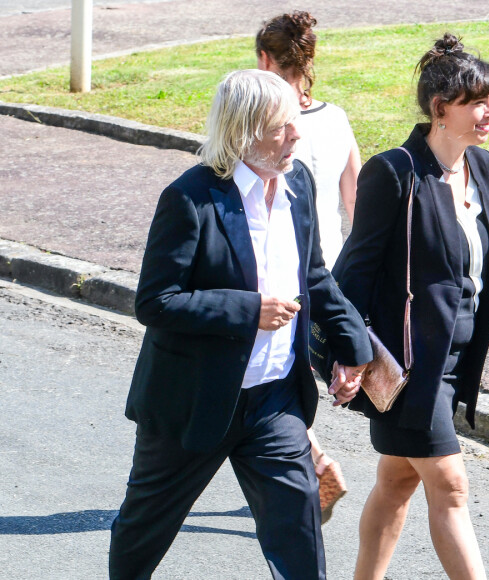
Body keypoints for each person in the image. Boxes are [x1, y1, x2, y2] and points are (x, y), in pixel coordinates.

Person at [108, 69, 372, 580]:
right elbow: (156, 302)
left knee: (298, 530)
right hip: (194, 402)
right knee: (144, 530)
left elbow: (313, 275)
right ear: (243, 132)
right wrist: (249, 312)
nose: (296, 135)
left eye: (296, 122)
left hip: (274, 400)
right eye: (282, 127)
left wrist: (353, 345)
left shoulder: (297, 181)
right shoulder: (190, 199)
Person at [336, 34, 489, 579]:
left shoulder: (482, 166)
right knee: (450, 484)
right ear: (440, 109)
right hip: (411, 362)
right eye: (478, 102)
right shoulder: (394, 173)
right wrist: (347, 352)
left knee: (397, 481)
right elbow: (353, 271)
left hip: (458, 357)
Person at [256, 10, 362, 522]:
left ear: (264, 59)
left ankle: (315, 462)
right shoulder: (337, 118)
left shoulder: (264, 123)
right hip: (332, 268)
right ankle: (302, 464)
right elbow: (356, 200)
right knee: (314, 367)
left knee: (276, 376)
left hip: (281, 269)